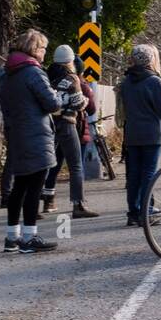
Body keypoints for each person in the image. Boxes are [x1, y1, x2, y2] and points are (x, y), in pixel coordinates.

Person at [0, 29, 73, 253]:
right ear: (34, 49)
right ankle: (30, 236)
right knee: (34, 188)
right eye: (42, 49)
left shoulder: (7, 73)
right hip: (36, 135)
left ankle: (12, 236)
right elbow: (52, 104)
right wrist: (61, 96)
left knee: (19, 187)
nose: (44, 53)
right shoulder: (33, 73)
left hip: (16, 134)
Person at [40, 44, 98, 218]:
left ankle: (38, 203)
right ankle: (78, 205)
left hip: (49, 124)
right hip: (67, 123)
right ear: (70, 61)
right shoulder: (72, 78)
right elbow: (78, 102)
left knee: (47, 164)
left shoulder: (47, 76)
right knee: (75, 165)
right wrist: (86, 101)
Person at [118, 44, 161, 227]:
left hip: (132, 133)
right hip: (151, 133)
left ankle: (133, 211)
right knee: (148, 172)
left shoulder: (126, 82)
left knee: (133, 174)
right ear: (150, 59)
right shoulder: (154, 81)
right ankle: (145, 210)